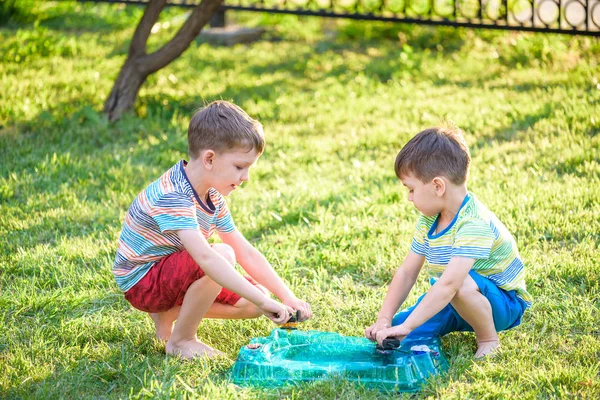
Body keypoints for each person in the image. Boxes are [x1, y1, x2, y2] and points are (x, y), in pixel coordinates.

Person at [113, 101, 312, 359]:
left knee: (254, 301)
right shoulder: (174, 195)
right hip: (142, 282)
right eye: (240, 167)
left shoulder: (212, 197)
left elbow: (245, 252)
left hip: (171, 274)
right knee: (222, 256)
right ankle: (182, 340)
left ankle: (169, 314)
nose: (246, 177)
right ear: (209, 158)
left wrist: (286, 297)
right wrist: (267, 303)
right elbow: (206, 258)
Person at [365, 125, 531, 358]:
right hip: (455, 300)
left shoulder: (473, 222)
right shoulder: (429, 220)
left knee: (458, 285)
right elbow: (406, 272)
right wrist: (386, 319)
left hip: (501, 304)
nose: (409, 198)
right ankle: (434, 325)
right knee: (397, 330)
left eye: (411, 189)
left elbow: (451, 284)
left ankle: (488, 338)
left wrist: (409, 325)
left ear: (437, 186)